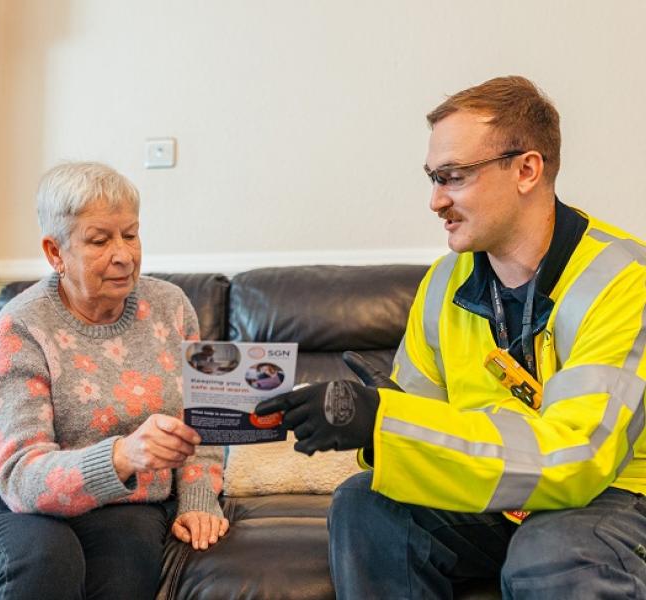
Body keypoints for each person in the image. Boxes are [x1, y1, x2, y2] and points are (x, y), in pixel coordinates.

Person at [256, 76, 646, 598]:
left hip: (611, 494)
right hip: (498, 494)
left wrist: (388, 421)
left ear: (527, 170)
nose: (435, 201)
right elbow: (421, 425)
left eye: (454, 176)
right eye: (432, 178)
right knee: (365, 504)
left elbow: (577, 457)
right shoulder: (444, 283)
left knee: (550, 553)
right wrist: (376, 420)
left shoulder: (624, 279)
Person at [0, 162, 229, 600]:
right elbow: (21, 476)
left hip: (119, 499)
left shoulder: (172, 307)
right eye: (100, 240)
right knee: (46, 557)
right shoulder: (21, 326)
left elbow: (203, 420)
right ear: (55, 252)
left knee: (129, 567)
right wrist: (125, 454)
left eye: (131, 234)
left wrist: (199, 497)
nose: (124, 254)